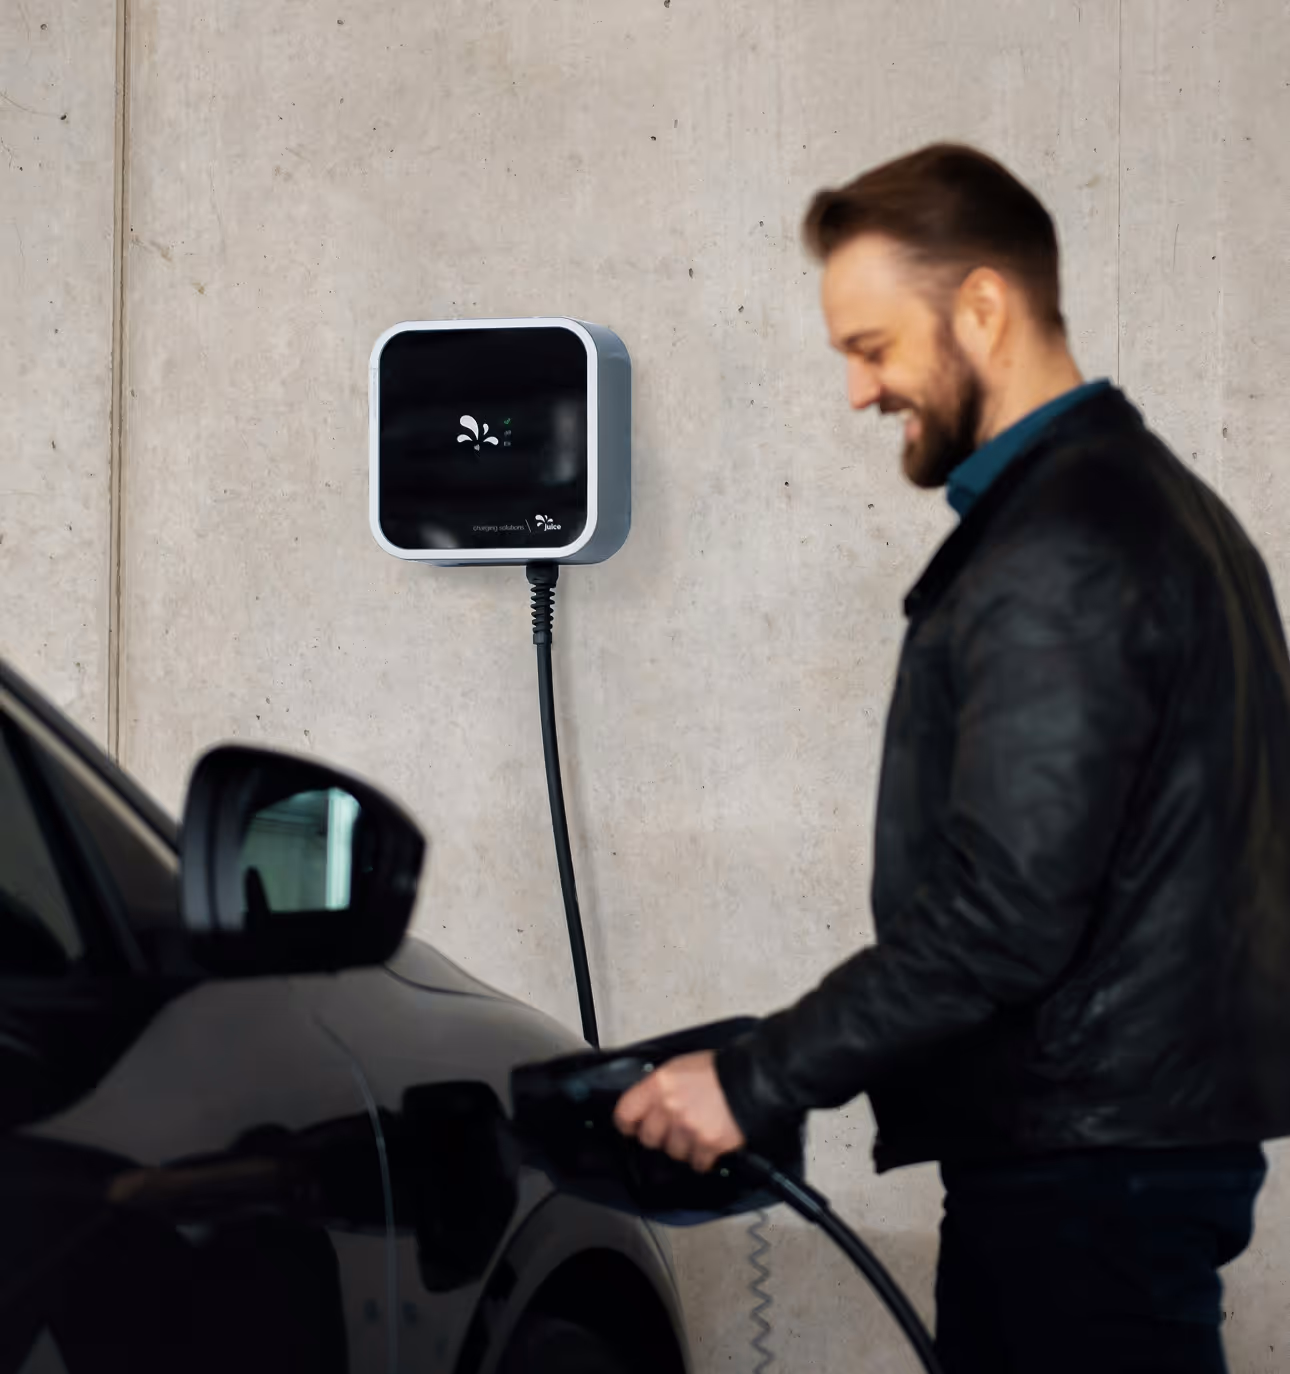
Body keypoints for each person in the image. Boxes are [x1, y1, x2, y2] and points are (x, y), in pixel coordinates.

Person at [614, 142, 1290, 1373]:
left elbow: (1003, 916)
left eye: (872, 347)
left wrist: (758, 1078)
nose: (859, 393)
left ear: (982, 305)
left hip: (1083, 1175)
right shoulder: (1160, 509)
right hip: (1123, 1155)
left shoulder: (1066, 544)